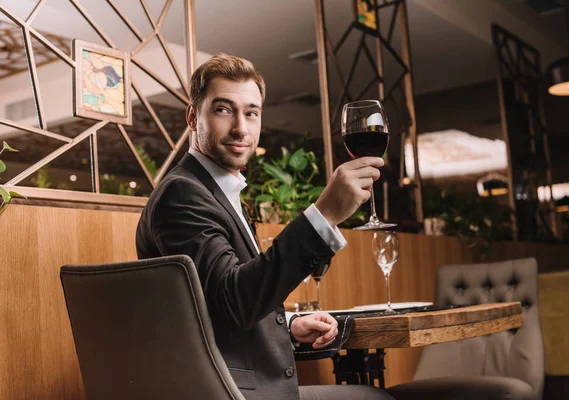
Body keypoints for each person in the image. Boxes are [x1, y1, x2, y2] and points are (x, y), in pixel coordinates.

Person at [136, 54, 393, 400]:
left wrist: (287, 326)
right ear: (193, 117)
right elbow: (234, 303)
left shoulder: (214, 191)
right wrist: (323, 215)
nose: (241, 127)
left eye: (252, 113)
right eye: (224, 110)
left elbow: (216, 305)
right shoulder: (182, 194)